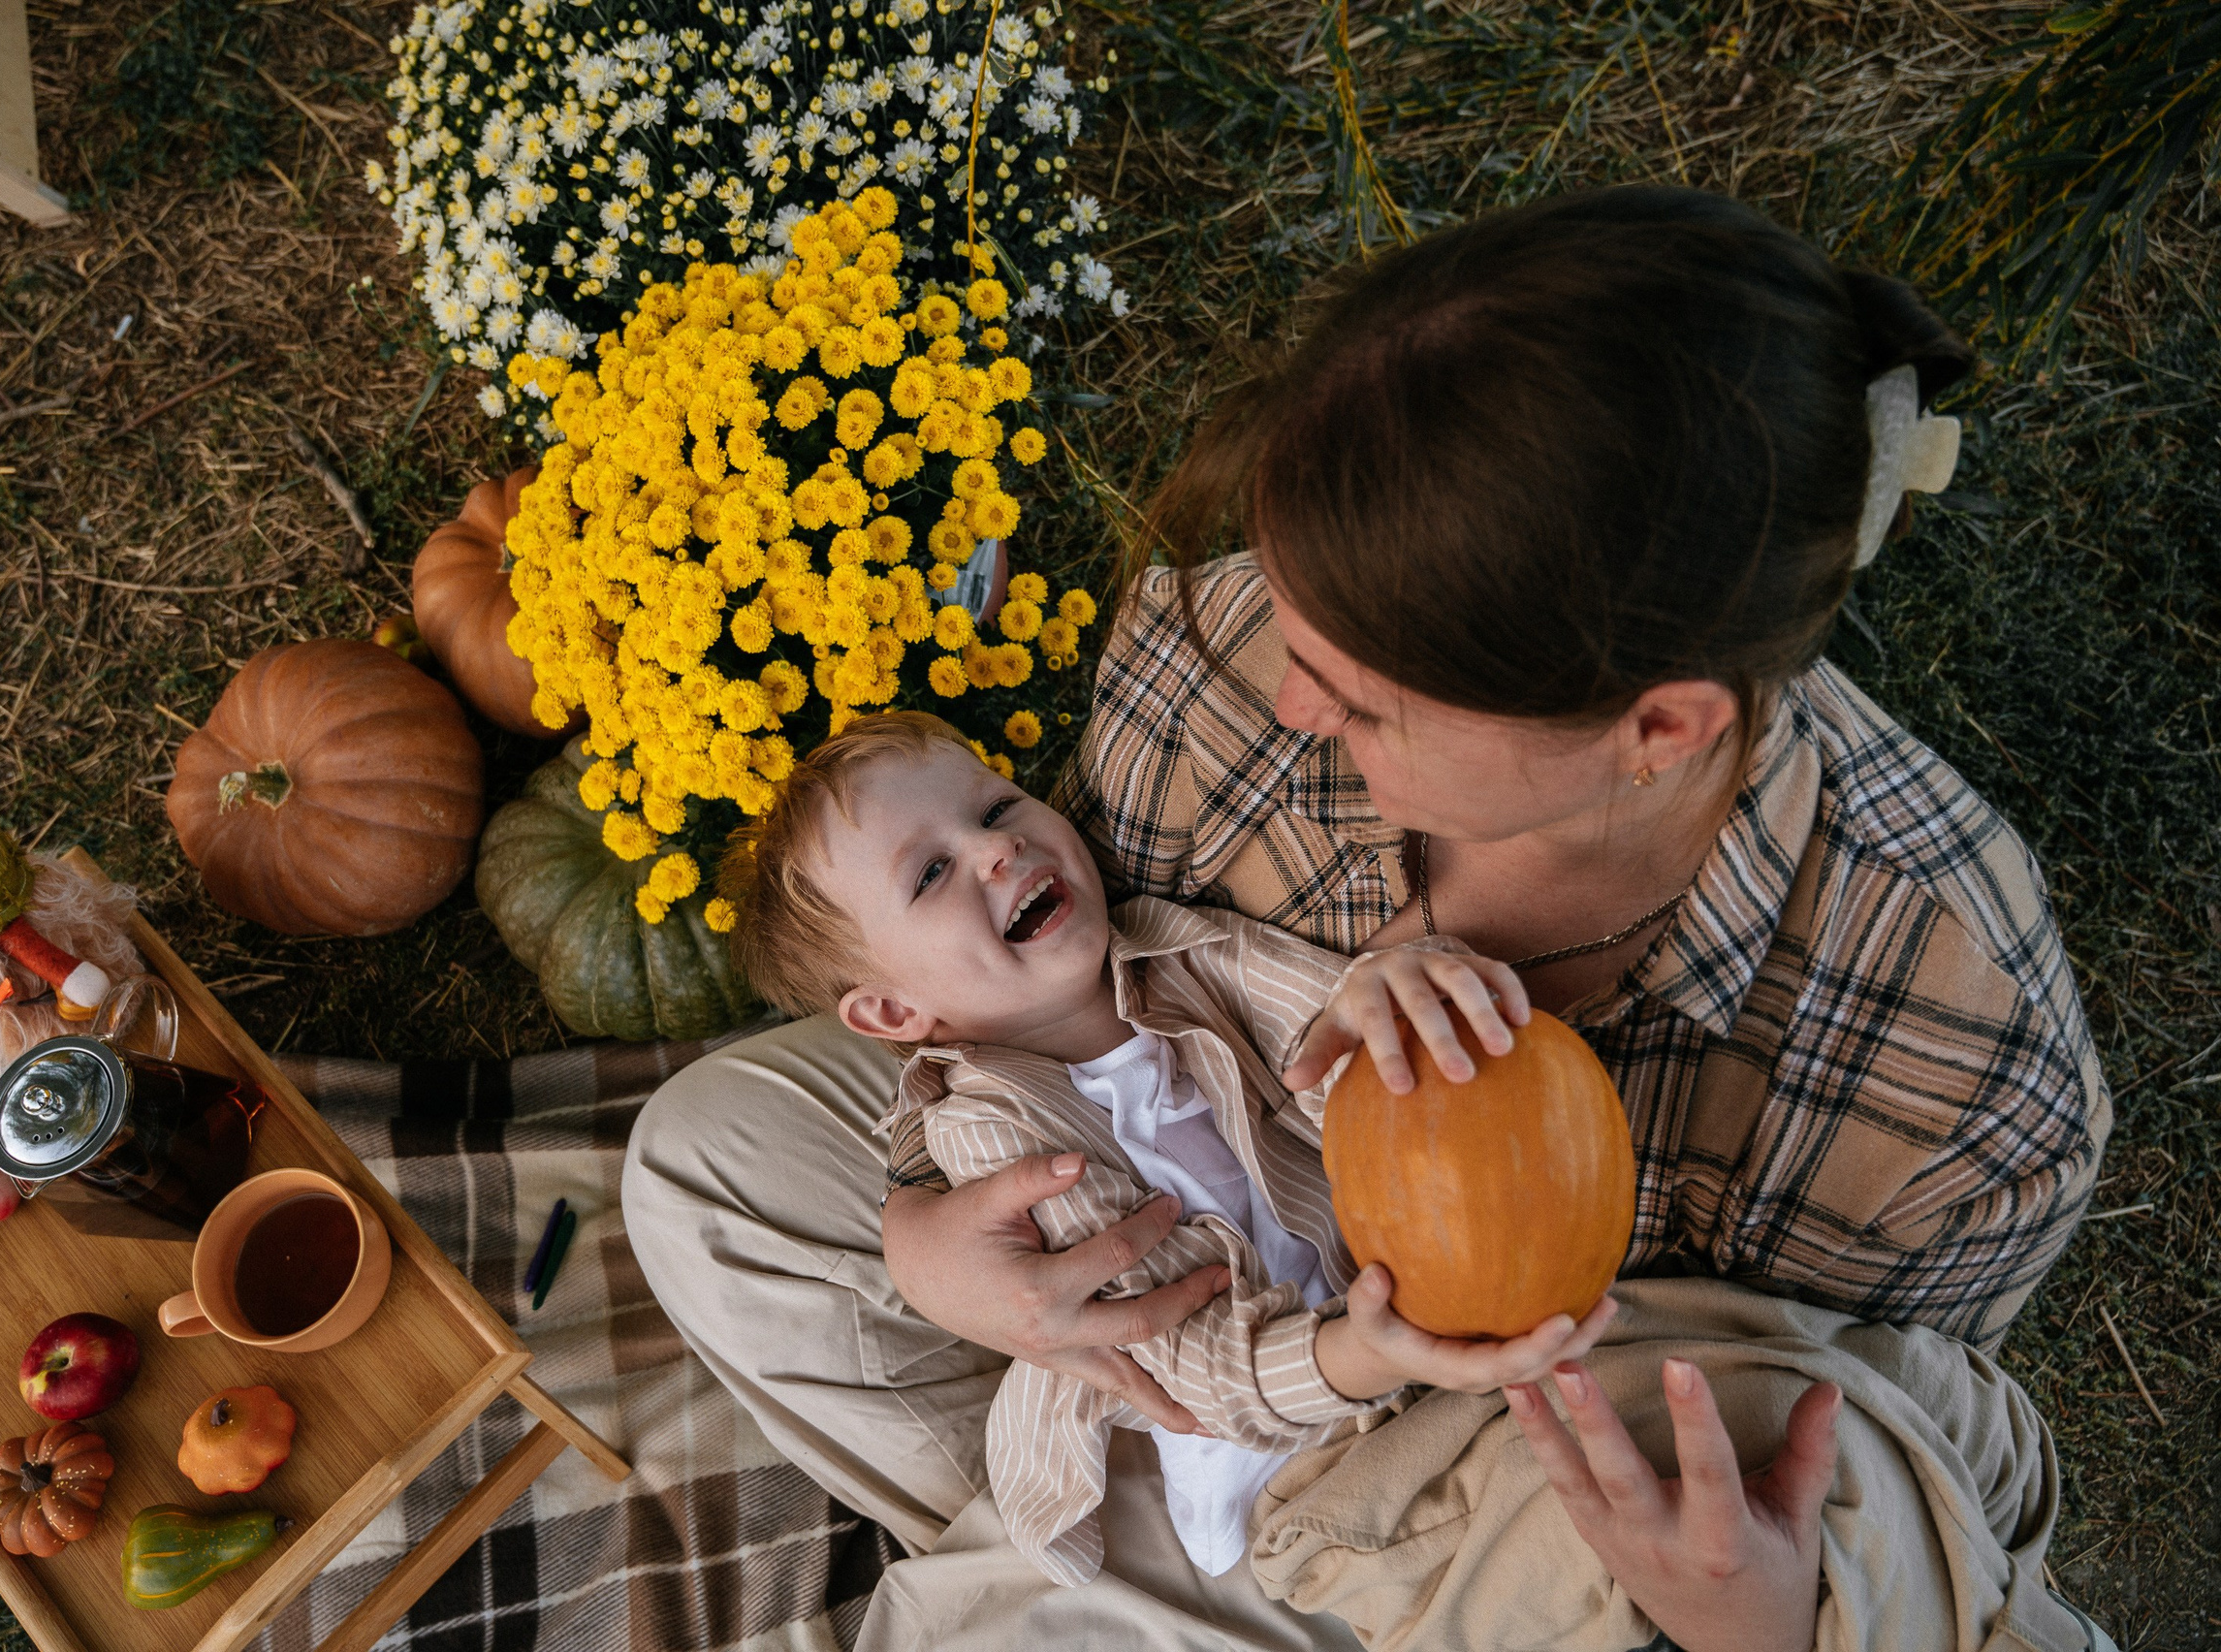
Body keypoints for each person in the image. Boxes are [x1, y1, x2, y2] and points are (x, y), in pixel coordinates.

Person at [623, 186, 2110, 1651]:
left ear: (1656, 728)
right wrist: (927, 1242)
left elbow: (1866, 1454)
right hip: (1192, 1265)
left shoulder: (1958, 1069)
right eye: (1296, 618)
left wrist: (1755, 1625)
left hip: (1464, 1456)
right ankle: (1109, 1528)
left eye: (1366, 697)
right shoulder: (1230, 655)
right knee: (708, 1159)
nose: (1290, 701)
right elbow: (1039, 1005)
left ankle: (1130, 1579)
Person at [713, 709, 1607, 1589]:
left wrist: (1392, 990)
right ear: (894, 1012)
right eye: (933, 872)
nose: (997, 848)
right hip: (1271, 1455)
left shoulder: (1179, 948)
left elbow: (1331, 1035)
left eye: (996, 807)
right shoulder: (1001, 1137)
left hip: (1391, 1301)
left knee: (1574, 1433)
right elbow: (1190, 1361)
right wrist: (1372, 1355)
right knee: (1523, 1558)